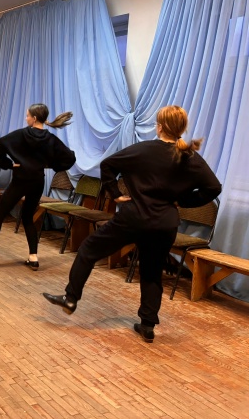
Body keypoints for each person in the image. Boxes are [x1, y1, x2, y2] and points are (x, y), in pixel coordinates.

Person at [43, 105, 222, 343]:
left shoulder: (143, 150)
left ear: (159, 127)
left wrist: (116, 195)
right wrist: (183, 200)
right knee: (152, 272)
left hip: (134, 217)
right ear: (181, 129)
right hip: (165, 223)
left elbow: (107, 165)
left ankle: (70, 298)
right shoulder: (190, 157)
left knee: (88, 251)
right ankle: (147, 325)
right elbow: (214, 187)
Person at [0, 104, 75, 269]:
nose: (26, 118)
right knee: (28, 218)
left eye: (27, 115)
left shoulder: (21, 134)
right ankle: (33, 258)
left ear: (34, 118)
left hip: (21, 181)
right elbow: (69, 158)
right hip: (38, 182)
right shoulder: (51, 139)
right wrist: (48, 165)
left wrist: (8, 164)